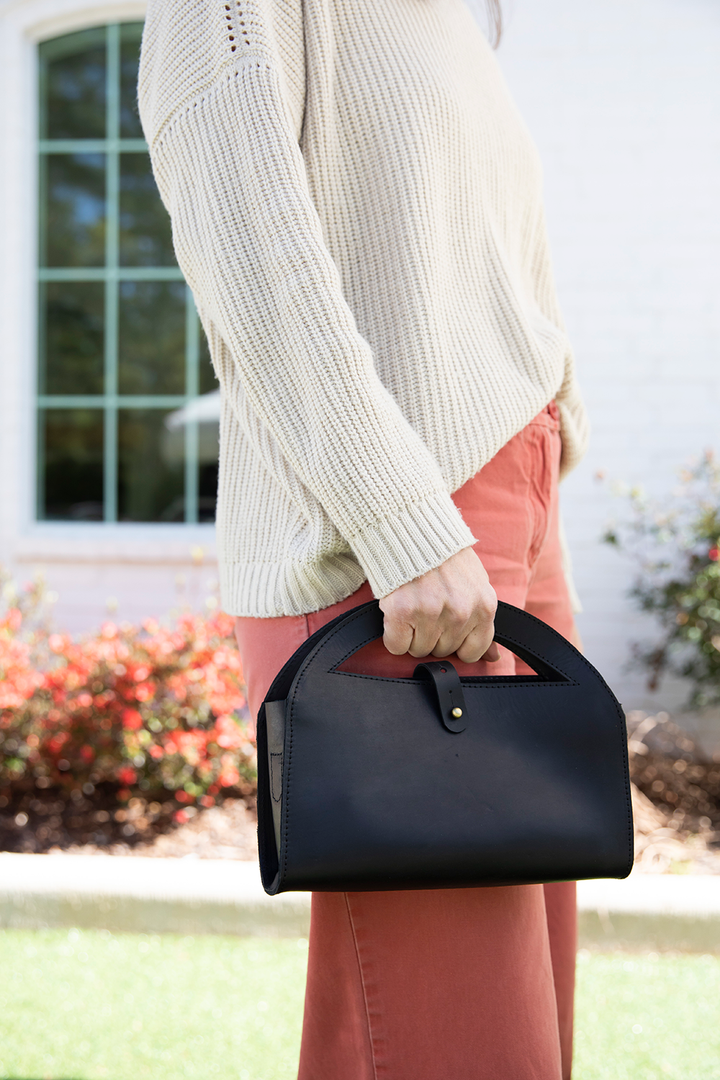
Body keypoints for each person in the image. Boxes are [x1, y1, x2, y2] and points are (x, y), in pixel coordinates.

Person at [139, 1, 589, 1076]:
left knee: (515, 1012)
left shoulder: (453, 16)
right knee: (463, 1034)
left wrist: (551, 434)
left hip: (511, 498)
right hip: (391, 529)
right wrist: (401, 520)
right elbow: (251, 247)